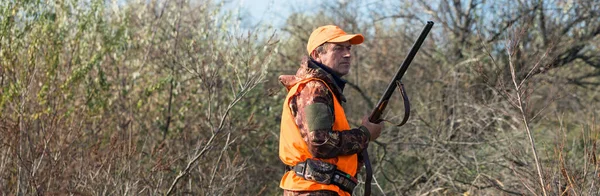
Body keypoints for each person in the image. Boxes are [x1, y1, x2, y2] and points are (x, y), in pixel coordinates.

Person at [278, 25, 384, 196]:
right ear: (317, 54)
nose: (347, 54)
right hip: (313, 190)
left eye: (348, 48)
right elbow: (320, 142)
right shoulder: (314, 88)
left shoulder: (324, 89)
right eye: (338, 48)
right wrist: (364, 134)